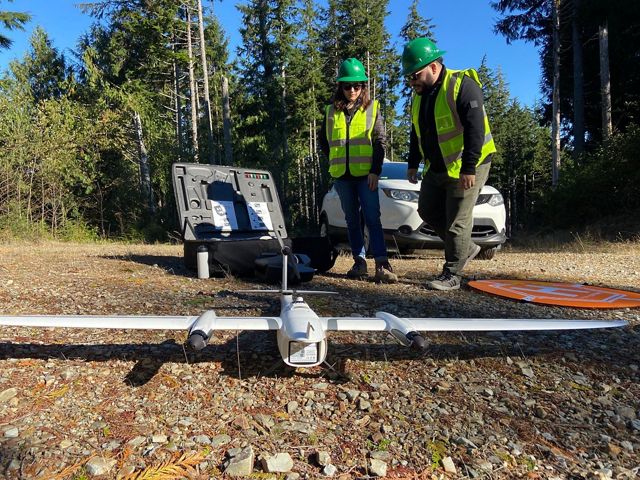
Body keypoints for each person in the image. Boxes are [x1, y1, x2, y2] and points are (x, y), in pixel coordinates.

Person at [402, 38, 496, 291]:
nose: (412, 82)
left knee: (457, 221)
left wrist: (468, 168)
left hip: (469, 164)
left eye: (415, 75)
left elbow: (476, 129)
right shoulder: (420, 96)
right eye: (409, 77)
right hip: (438, 166)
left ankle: (452, 273)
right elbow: (416, 131)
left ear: (433, 67)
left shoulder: (462, 86)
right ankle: (466, 248)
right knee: (427, 209)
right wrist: (413, 163)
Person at [319, 58, 397, 283]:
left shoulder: (372, 109)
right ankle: (359, 262)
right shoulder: (330, 111)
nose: (352, 90)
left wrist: (375, 171)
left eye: (356, 86)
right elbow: (324, 142)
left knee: (373, 219)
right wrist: (335, 159)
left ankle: (382, 264)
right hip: (342, 177)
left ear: (363, 86)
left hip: (366, 176)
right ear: (340, 87)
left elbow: (380, 142)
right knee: (352, 220)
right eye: (347, 86)